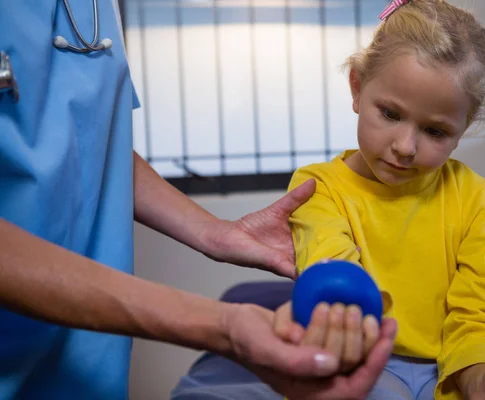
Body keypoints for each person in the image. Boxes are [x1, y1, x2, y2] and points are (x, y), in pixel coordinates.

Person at [0, 1, 397, 399]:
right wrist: (223, 326)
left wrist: (215, 233)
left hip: (82, 365)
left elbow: (90, 140)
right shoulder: (322, 183)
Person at [273, 1, 485, 399]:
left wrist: (478, 375)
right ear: (356, 87)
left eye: (435, 132)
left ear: (463, 128)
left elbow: (480, 309)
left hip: (453, 369)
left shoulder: (477, 199)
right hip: (358, 357)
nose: (405, 147)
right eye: (389, 113)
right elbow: (336, 286)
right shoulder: (317, 188)